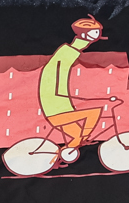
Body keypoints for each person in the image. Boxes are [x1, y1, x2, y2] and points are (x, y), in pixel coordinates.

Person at [38, 14, 111, 161]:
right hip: (57, 113)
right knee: (93, 113)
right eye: (93, 34)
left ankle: (57, 158)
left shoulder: (63, 59)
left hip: (62, 111)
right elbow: (56, 90)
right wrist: (82, 98)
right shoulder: (60, 60)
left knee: (77, 138)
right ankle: (85, 138)